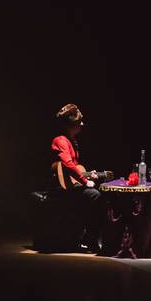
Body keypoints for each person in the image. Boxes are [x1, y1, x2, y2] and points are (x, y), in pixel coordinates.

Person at [50, 103, 103, 253]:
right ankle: (90, 239)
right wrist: (85, 181)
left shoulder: (72, 141)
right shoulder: (60, 140)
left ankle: (87, 236)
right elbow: (67, 164)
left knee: (97, 193)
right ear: (70, 124)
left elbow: (75, 167)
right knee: (94, 195)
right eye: (79, 121)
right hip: (60, 188)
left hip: (71, 185)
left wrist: (88, 175)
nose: (82, 124)